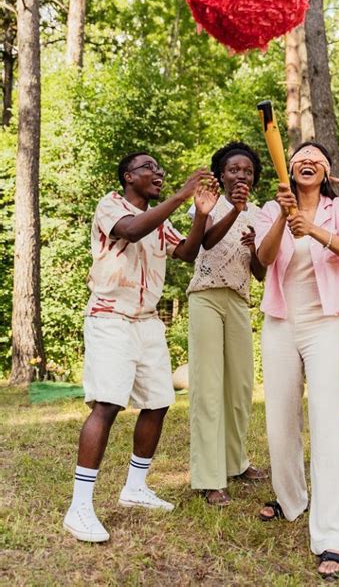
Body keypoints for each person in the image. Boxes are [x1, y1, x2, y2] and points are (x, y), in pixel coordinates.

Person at [63, 151, 219, 543]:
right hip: (110, 316)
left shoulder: (160, 220)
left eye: (160, 169)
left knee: (159, 400)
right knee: (107, 404)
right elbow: (130, 231)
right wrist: (183, 196)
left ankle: (135, 487)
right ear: (128, 176)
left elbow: (186, 252)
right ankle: (79, 505)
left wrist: (201, 213)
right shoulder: (110, 205)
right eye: (149, 167)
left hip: (147, 321)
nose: (158, 172)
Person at [254, 141, 339, 581]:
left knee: (326, 421)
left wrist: (313, 229)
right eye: (299, 156)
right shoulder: (271, 208)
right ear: (291, 169)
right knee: (280, 420)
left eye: (316, 159)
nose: (307, 161)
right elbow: (263, 261)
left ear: (327, 172)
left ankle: (336, 535)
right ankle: (292, 498)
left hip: (325, 324)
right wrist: (284, 217)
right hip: (281, 322)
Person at [186, 141, 267, 507]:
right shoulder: (207, 202)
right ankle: (209, 478)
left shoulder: (260, 213)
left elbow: (261, 273)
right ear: (221, 173)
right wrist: (234, 211)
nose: (241, 175)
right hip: (205, 296)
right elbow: (204, 241)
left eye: (247, 171)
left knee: (240, 388)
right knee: (208, 387)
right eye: (234, 169)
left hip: (238, 301)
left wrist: (255, 248)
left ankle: (236, 462)